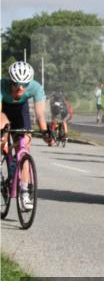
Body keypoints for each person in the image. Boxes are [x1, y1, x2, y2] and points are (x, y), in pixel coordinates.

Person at [1, 61, 52, 210]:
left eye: (25, 84)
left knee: (25, 146)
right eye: (16, 84)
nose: (21, 87)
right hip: (3, 109)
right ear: (10, 81)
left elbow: (40, 114)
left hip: (20, 111)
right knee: (1, 131)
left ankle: (24, 191)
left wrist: (45, 132)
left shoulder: (35, 87)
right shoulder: (1, 86)